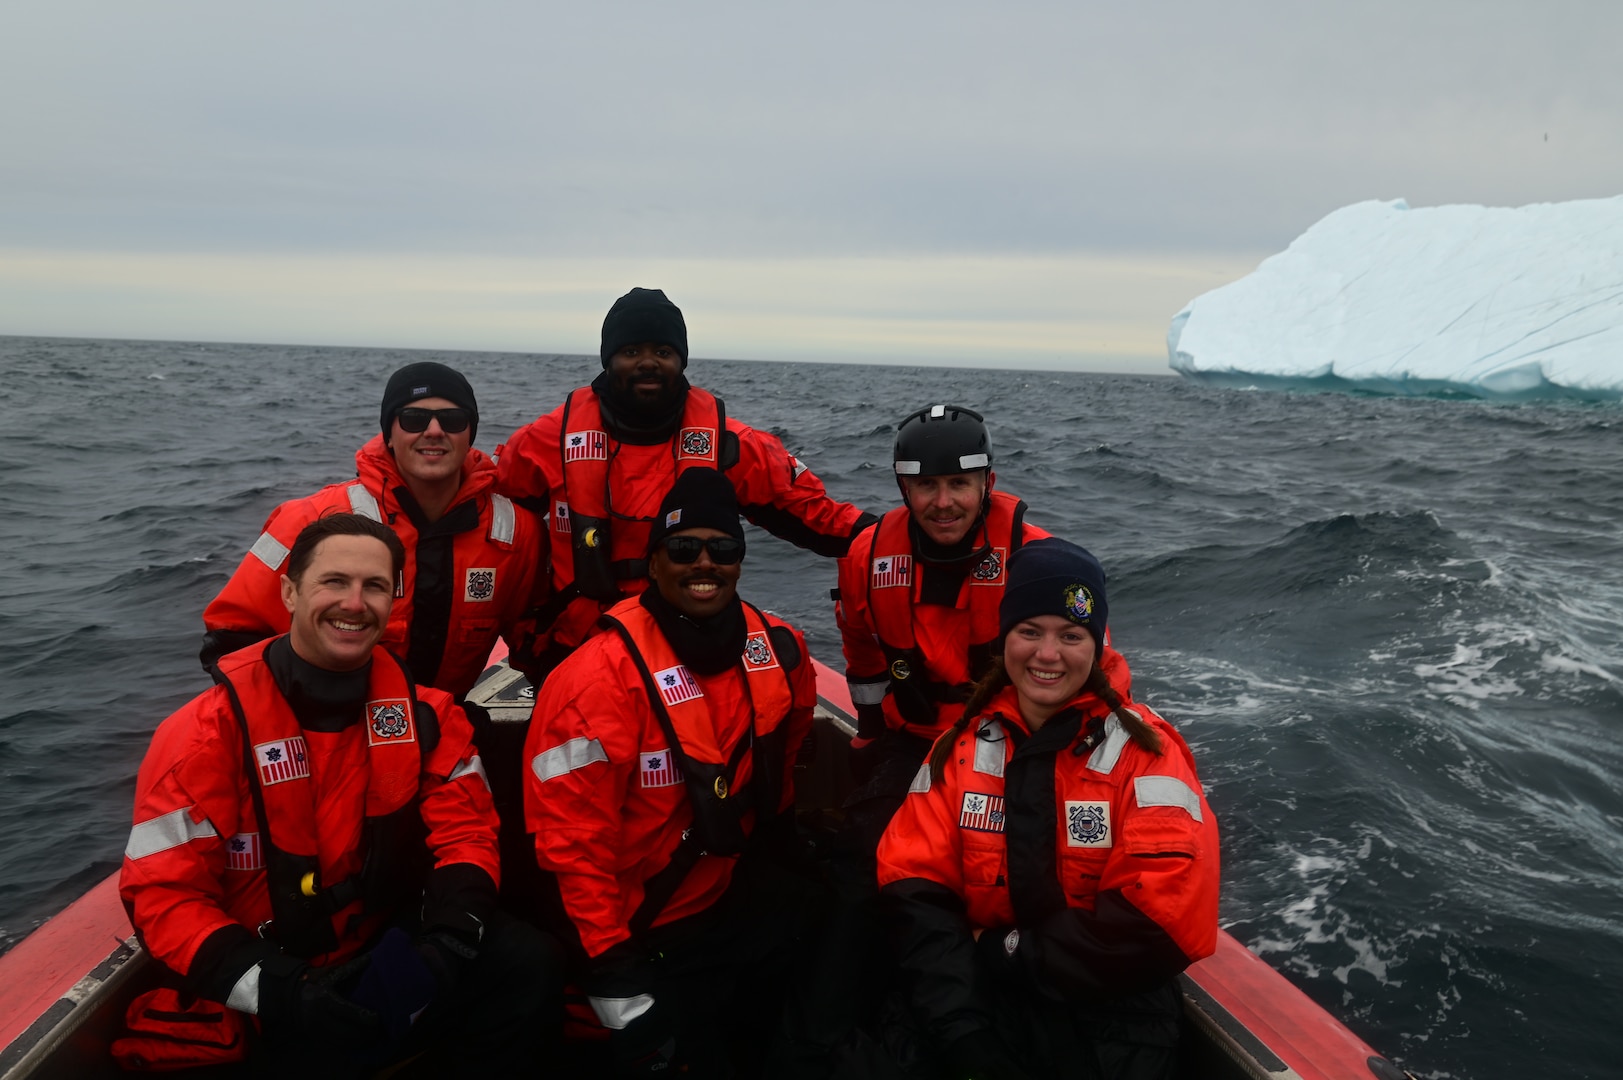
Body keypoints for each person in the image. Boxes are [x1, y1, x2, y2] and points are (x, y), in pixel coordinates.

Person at [120, 514, 562, 1076]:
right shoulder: (205, 734)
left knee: (528, 962)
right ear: (288, 591)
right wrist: (282, 989)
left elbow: (467, 835)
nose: (354, 603)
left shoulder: (428, 716)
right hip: (271, 983)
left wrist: (449, 944)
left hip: (379, 950)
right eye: (334, 582)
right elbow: (163, 896)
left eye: (374, 586)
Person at [875, 539, 1219, 1080]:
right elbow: (912, 891)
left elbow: (1159, 925)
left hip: (1112, 1013)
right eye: (1029, 631)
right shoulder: (959, 748)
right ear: (1005, 638)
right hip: (976, 994)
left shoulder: (1149, 756)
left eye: (1071, 635)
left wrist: (1006, 952)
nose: (1047, 654)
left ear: (1098, 644)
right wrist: (963, 1030)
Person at [523, 468, 819, 1076]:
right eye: (683, 549)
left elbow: (782, 773)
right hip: (634, 928)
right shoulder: (593, 684)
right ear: (653, 563)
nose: (703, 564)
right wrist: (615, 974)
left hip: (724, 899)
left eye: (723, 549)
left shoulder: (782, 651)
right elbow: (571, 853)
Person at [497, 286, 874, 678]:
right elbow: (488, 517)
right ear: (609, 361)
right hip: (575, 645)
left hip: (689, 640)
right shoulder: (547, 440)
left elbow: (813, 515)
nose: (647, 363)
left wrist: (888, 533)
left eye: (662, 352)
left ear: (681, 361)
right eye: (631, 352)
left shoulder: (729, 445)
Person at [201, 361, 545, 702]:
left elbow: (536, 640)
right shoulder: (310, 518)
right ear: (389, 434)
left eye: (453, 420)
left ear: (469, 433)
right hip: (329, 723)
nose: (435, 431)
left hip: (445, 723)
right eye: (414, 419)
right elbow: (233, 638)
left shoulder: (516, 533)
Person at [835, 403, 1051, 848]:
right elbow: (860, 648)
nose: (943, 502)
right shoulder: (865, 558)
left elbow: (1094, 666)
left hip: (1017, 741)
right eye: (926, 486)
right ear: (904, 489)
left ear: (987, 483)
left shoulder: (1040, 560)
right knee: (862, 852)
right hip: (915, 742)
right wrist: (871, 730)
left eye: (958, 484)